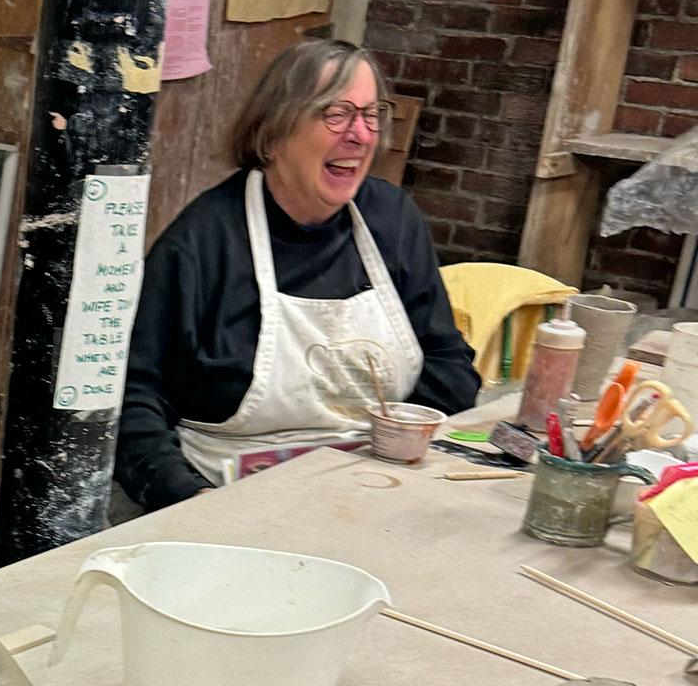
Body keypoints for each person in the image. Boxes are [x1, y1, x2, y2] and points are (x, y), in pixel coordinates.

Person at [117, 39, 480, 511]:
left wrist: (389, 456)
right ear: (271, 137)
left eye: (371, 115)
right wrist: (192, 501)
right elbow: (133, 403)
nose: (361, 135)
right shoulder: (201, 246)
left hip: (375, 485)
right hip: (229, 498)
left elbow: (450, 367)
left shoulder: (392, 222)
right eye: (337, 114)